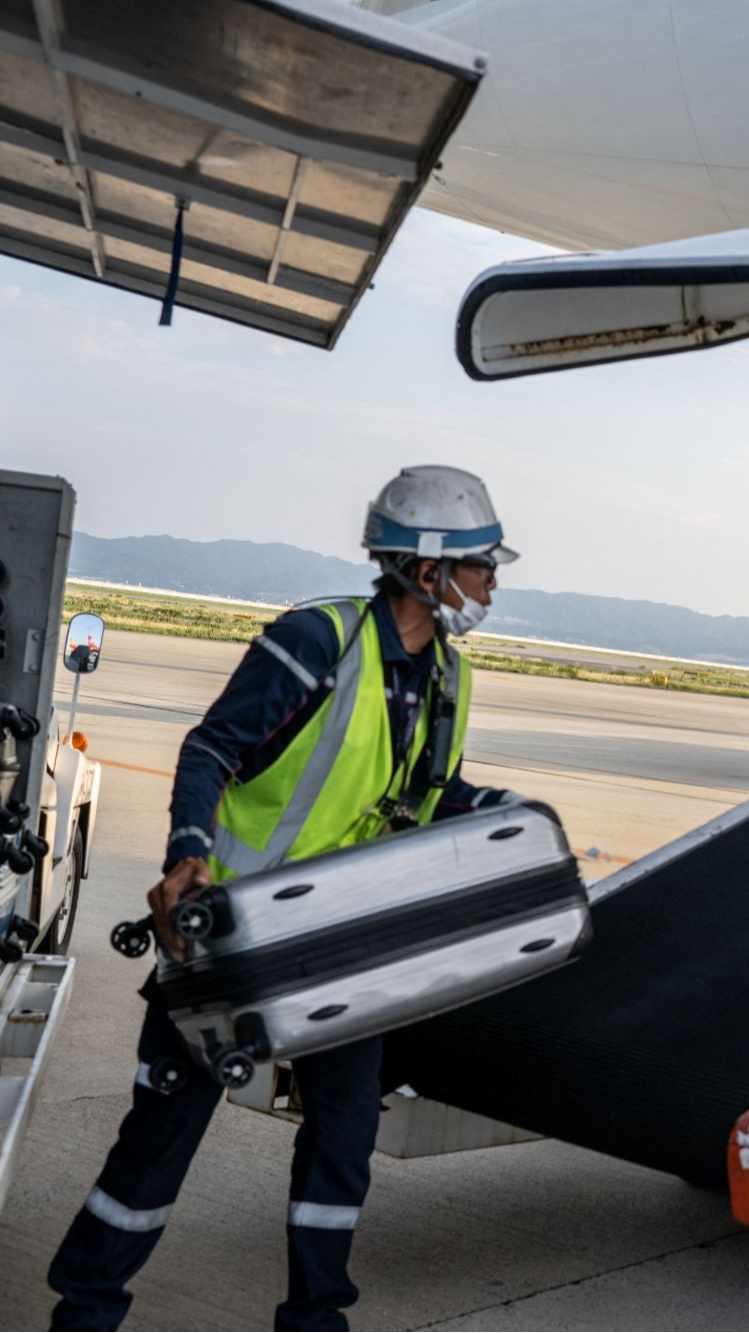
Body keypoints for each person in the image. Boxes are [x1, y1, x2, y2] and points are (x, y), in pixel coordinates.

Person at [47, 464, 522, 1333]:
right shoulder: (316, 640)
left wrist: (494, 809)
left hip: (340, 944)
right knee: (161, 1140)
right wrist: (187, 854)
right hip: (229, 937)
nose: (493, 584)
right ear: (428, 571)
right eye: (482, 565)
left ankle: (315, 1319)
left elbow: (422, 794)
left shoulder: (448, 680)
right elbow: (210, 749)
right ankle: (84, 1309)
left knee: (340, 1147)